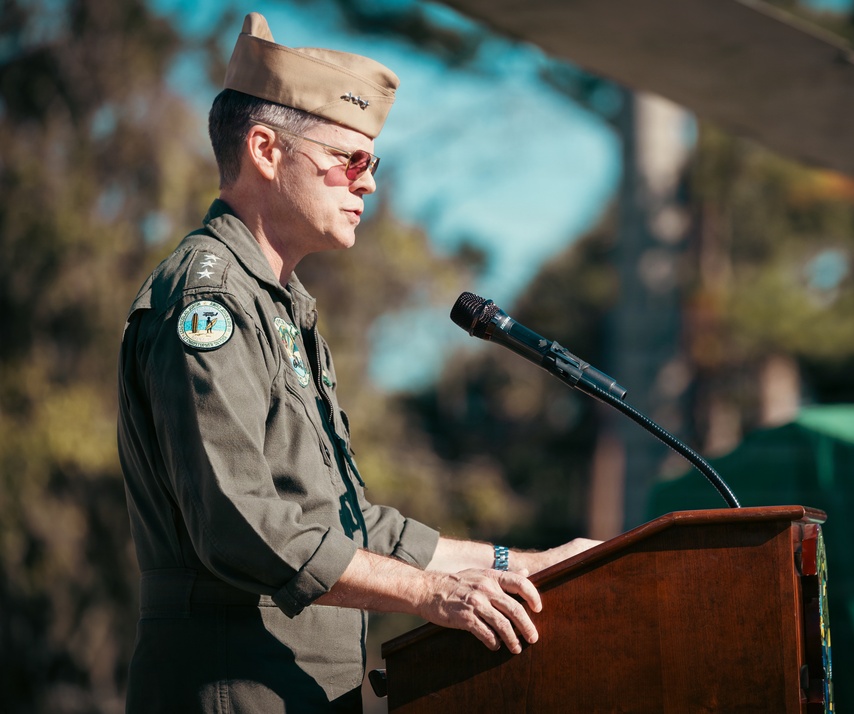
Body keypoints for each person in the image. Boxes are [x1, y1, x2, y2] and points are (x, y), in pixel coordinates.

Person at [116, 12, 596, 713]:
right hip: (231, 689)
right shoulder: (208, 299)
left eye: (372, 162)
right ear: (265, 150)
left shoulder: (281, 306)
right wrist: (430, 594)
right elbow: (240, 525)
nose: (367, 183)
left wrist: (514, 565)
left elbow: (346, 524)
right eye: (351, 159)